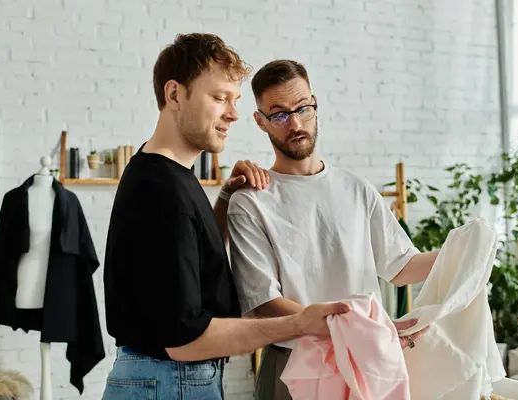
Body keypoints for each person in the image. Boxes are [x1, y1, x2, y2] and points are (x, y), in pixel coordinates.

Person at [101, 35, 350, 400]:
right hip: (172, 380)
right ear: (174, 96)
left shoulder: (170, 175)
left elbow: (195, 263)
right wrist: (300, 323)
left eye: (234, 100)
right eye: (219, 98)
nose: (233, 113)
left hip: (169, 380)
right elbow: (184, 341)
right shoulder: (160, 190)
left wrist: (225, 198)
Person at [227, 59, 439, 400]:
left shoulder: (357, 188)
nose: (295, 123)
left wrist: (462, 251)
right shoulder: (251, 202)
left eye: (302, 108)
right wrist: (353, 327)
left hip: (364, 360)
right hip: (293, 365)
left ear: (315, 104)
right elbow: (264, 302)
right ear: (260, 121)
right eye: (279, 114)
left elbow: (400, 267)